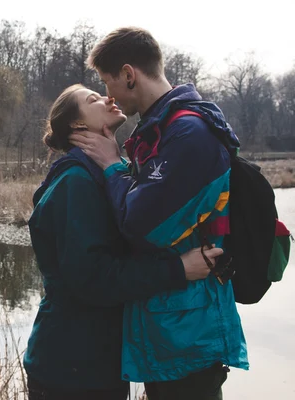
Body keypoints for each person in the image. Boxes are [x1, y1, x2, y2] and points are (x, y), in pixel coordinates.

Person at [69, 27, 248, 400]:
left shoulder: (187, 134)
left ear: (129, 75)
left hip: (188, 333)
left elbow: (140, 227)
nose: (108, 95)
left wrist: (112, 164)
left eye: (107, 82)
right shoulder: (160, 132)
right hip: (171, 326)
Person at [24, 83, 225, 400]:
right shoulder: (75, 182)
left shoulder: (104, 174)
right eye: (94, 98)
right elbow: (93, 279)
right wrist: (178, 269)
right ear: (78, 125)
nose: (108, 98)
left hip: (96, 362)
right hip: (71, 367)